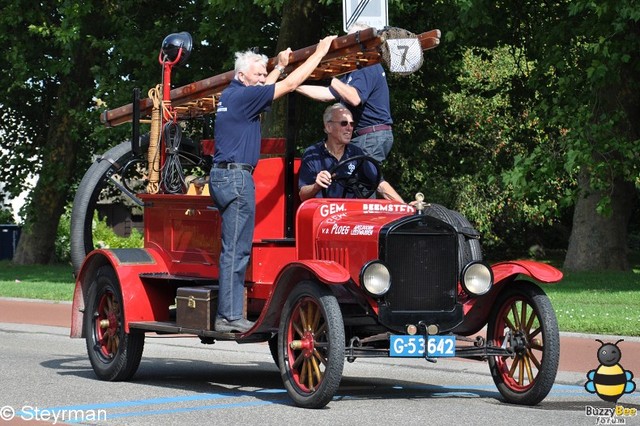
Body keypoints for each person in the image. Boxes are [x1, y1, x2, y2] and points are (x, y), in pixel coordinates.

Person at [210, 35, 337, 333]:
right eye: (257, 74)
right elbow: (290, 86)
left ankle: (227, 313)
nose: (261, 79)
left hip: (223, 175)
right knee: (237, 250)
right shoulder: (244, 96)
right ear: (242, 76)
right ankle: (228, 316)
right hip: (238, 178)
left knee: (233, 248)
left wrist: (277, 66)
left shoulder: (231, 96)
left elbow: (268, 87)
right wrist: (319, 53)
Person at [296, 23, 393, 163]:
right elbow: (327, 93)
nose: (346, 49)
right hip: (369, 136)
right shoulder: (355, 69)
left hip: (371, 136)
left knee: (355, 181)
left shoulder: (366, 65)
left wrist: (329, 78)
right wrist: (293, 84)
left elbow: (354, 98)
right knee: (362, 180)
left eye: (350, 42)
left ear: (361, 43)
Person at [299, 103, 404, 202]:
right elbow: (302, 195)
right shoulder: (312, 154)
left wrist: (406, 208)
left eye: (352, 123)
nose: (349, 128)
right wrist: (316, 186)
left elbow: (380, 185)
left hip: (349, 215)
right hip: (322, 214)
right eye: (344, 123)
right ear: (328, 127)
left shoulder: (356, 152)